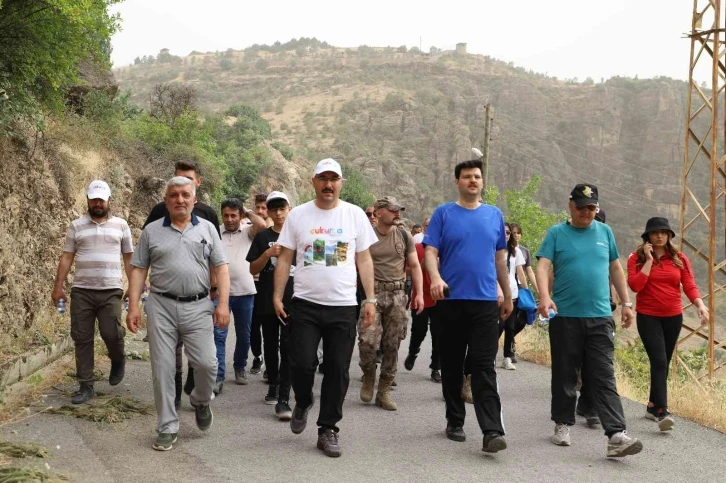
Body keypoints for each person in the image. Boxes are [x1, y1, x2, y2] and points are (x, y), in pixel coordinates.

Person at [273, 158, 377, 458]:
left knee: (337, 370)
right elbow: (284, 258)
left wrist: (369, 299)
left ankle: (328, 428)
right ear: (313, 181)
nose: (328, 184)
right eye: (323, 178)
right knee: (302, 363)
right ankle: (303, 400)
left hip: (343, 306)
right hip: (305, 304)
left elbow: (364, 260)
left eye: (334, 179)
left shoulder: (354, 215)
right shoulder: (299, 216)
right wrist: (277, 296)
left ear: (341, 183)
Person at [536, 183, 642, 458]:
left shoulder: (604, 232)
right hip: (566, 316)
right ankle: (562, 423)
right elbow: (543, 265)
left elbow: (615, 267)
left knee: (603, 376)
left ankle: (616, 434)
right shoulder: (557, 233)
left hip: (600, 317)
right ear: (570, 205)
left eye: (592, 207)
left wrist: (627, 303)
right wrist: (544, 297)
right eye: (581, 206)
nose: (586, 212)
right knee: (565, 373)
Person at [126, 176, 230, 451]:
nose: (180, 200)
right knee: (162, 368)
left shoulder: (208, 229)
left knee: (208, 364)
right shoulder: (151, 231)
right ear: (166, 200)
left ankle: (200, 400)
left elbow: (221, 268)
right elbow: (138, 269)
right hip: (161, 306)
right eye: (174, 195)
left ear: (194, 200)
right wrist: (134, 305)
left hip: (198, 306)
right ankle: (167, 427)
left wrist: (223, 304)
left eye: (185, 195)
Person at [424, 159, 513, 454]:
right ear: (457, 182)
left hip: (485, 302)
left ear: (482, 182)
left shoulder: (494, 215)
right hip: (450, 301)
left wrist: (508, 294)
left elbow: (500, 259)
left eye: (477, 176)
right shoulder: (443, 214)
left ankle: (492, 431)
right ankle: (455, 419)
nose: (472, 180)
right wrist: (435, 277)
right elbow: (431, 251)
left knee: (483, 366)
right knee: (451, 364)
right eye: (466, 177)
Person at [142, 160, 220, 408]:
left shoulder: (207, 216)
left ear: (197, 184)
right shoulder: (158, 213)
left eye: (187, 181)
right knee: (170, 353)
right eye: (177, 180)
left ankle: (194, 386)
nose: (181, 191)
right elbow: (147, 251)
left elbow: (215, 257)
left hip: (198, 298)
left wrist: (215, 288)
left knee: (202, 357)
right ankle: (173, 395)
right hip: (165, 300)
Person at [52, 180, 134, 404]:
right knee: (82, 337)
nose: (97, 203)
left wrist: (133, 288)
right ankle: (85, 385)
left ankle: (118, 358)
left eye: (101, 199)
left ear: (109, 200)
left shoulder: (121, 225)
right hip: (82, 290)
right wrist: (58, 287)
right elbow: (67, 256)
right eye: (93, 199)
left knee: (111, 333)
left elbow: (129, 258)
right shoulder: (76, 226)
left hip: (111, 290)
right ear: (87, 199)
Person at [627, 217, 708, 432]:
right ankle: (663, 411)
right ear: (648, 236)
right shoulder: (635, 259)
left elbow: (689, 285)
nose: (660, 235)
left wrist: (700, 305)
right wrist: (647, 260)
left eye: (664, 232)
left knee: (663, 361)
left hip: (673, 317)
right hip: (648, 316)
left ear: (670, 235)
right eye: (655, 232)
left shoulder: (679, 258)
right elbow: (635, 286)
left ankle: (652, 406)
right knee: (660, 360)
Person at [358, 197, 424, 411]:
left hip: (397, 295)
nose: (397, 214)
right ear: (378, 213)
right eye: (392, 210)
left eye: (398, 210)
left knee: (392, 344)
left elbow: (414, 265)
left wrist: (419, 294)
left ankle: (384, 390)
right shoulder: (365, 236)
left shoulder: (404, 236)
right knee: (367, 341)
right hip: (372, 295)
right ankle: (368, 374)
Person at [247, 191, 296, 419]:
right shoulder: (262, 237)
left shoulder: (298, 236)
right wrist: (267, 254)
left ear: (289, 209)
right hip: (267, 298)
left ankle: (285, 392)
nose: (278, 213)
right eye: (273, 209)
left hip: (293, 300)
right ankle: (274, 385)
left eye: (282, 208)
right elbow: (253, 269)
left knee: (288, 346)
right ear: (268, 211)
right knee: (270, 344)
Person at [214, 198, 266, 393]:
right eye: (226, 215)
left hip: (245, 292)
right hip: (221, 293)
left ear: (240, 215)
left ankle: (239, 367)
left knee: (244, 335)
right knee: (219, 334)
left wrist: (246, 211)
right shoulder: (215, 231)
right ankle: (218, 375)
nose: (229, 219)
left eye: (233, 215)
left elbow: (261, 223)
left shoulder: (247, 231)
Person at [404, 238, 441, 383]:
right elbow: (406, 269)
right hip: (421, 297)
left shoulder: (445, 248)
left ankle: (435, 367)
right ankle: (413, 352)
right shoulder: (417, 248)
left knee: (438, 334)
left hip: (440, 298)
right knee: (419, 330)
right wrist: (421, 266)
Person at [250, 193, 273, 377]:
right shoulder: (249, 228)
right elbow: (259, 225)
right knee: (253, 325)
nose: (260, 211)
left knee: (270, 327)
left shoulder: (278, 230)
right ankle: (257, 356)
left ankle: (271, 363)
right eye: (257, 207)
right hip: (251, 283)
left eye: (264, 208)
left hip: (270, 284)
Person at [499, 223, 527, 371]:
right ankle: (489, 355)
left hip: (512, 294)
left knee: (510, 327)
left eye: (508, 233)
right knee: (497, 326)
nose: (506, 235)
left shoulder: (515, 251)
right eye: (503, 232)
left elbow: (520, 272)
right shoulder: (493, 249)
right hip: (495, 295)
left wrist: (526, 291)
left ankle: (507, 357)